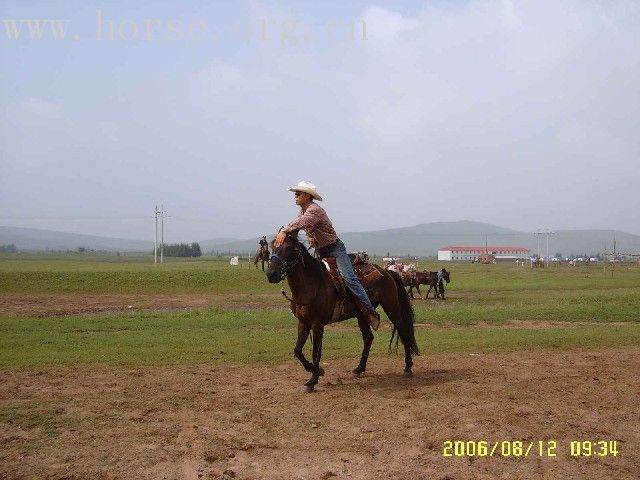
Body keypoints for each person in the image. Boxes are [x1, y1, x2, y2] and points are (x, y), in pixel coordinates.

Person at [274, 181, 381, 330]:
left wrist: (284, 231)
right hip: (322, 252)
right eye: (295, 194)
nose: (295, 196)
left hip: (335, 250)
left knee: (349, 278)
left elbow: (303, 222)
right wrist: (310, 235)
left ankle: (370, 311)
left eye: (298, 194)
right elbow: (305, 224)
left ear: (307, 196)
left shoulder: (314, 209)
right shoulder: (303, 211)